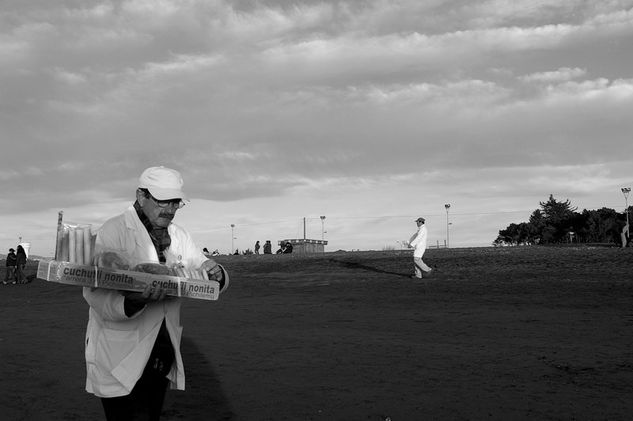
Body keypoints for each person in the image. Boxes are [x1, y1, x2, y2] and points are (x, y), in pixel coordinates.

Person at [82, 166, 229, 421]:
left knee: (151, 414)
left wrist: (217, 273)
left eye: (176, 202)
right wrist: (133, 302)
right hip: (120, 351)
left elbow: (204, 267)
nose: (170, 209)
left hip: (161, 347)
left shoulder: (179, 235)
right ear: (141, 196)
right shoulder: (114, 230)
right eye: (163, 201)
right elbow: (93, 293)